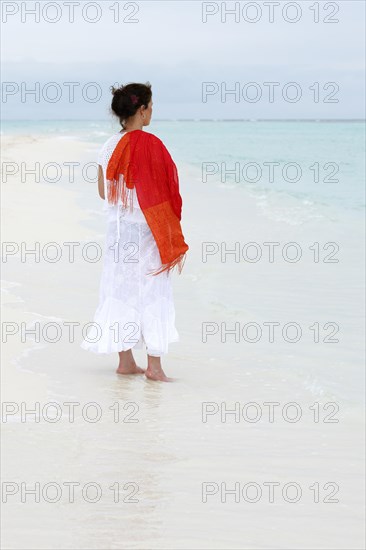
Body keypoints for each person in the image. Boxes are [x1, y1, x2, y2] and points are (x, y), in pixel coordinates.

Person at [81, 82, 189, 382]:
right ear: (140, 110)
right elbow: (163, 193)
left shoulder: (107, 147)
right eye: (150, 106)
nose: (152, 111)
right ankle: (154, 367)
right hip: (147, 232)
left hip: (118, 234)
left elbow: (105, 193)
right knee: (154, 292)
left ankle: (126, 362)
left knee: (120, 291)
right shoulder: (151, 144)